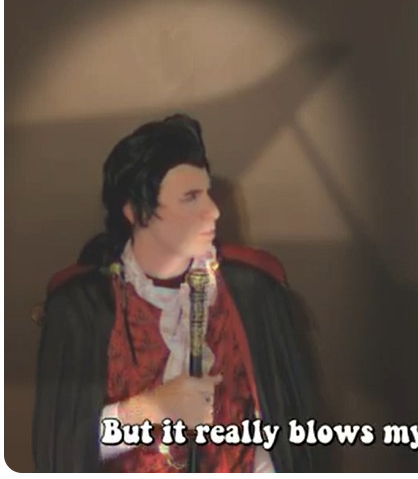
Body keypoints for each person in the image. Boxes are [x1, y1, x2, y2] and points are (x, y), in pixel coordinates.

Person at [33, 114, 318, 472]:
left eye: (207, 194)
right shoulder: (81, 307)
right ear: (137, 212)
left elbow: (282, 436)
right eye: (190, 197)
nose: (213, 211)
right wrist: (150, 409)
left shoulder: (253, 294)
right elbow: (60, 445)